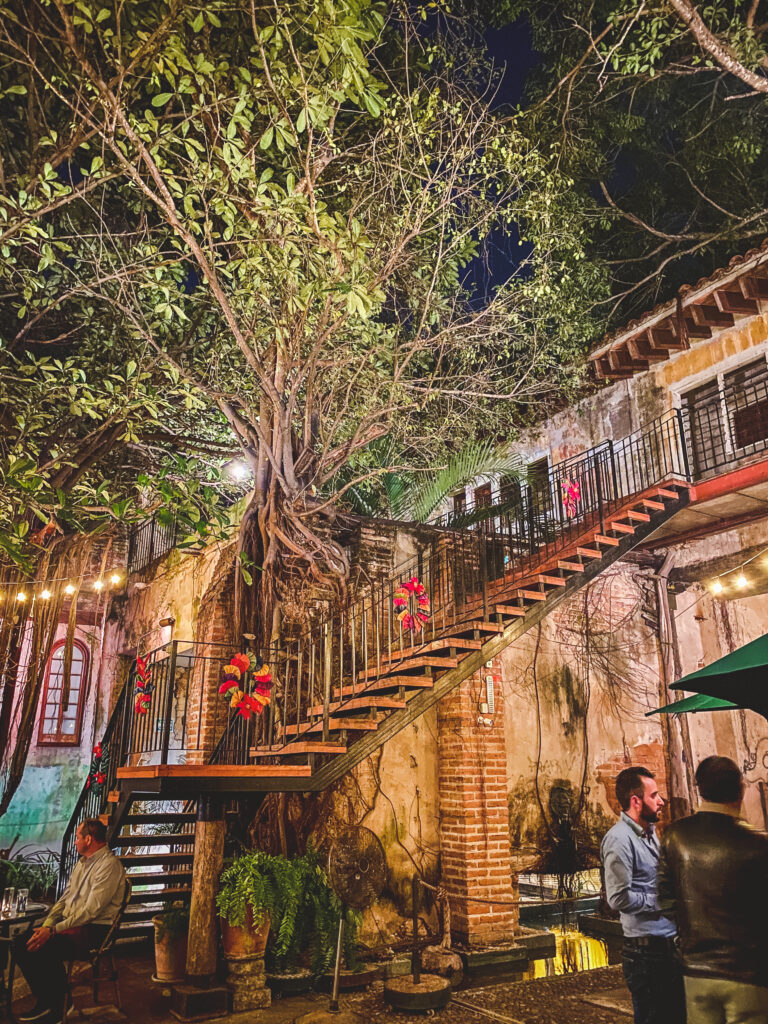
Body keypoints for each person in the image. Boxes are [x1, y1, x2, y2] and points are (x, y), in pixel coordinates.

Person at [658, 756, 768, 1024]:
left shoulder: (675, 836)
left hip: (695, 973)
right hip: (748, 974)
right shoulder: (758, 845)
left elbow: (663, 898)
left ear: (700, 789)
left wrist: (687, 934)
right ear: (740, 789)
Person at [13, 818, 127, 1023]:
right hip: (73, 925)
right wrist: (48, 924)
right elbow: (64, 899)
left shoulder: (109, 866)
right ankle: (51, 1000)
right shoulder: (82, 863)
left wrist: (54, 930)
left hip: (94, 930)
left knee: (45, 946)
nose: (75, 842)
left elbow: (90, 912)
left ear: (89, 839)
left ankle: (57, 1006)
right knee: (20, 943)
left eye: (77, 837)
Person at [600, 766, 685, 1024]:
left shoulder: (649, 833)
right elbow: (618, 898)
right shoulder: (619, 840)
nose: (660, 801)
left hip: (666, 948)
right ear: (636, 801)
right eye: (654, 795)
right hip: (646, 956)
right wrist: (662, 901)